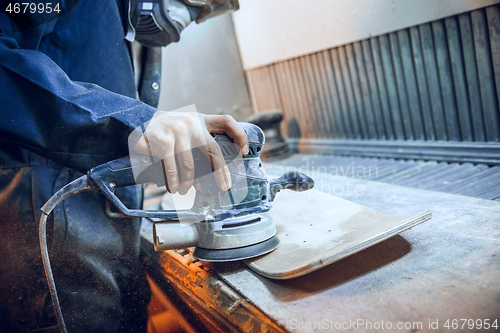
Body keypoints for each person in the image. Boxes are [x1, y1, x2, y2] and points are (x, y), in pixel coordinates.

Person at [0, 0, 244, 332]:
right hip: (50, 238)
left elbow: (103, 133)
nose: (194, 15)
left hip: (112, 237)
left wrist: (171, 153)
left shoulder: (120, 25)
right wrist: (138, 122)